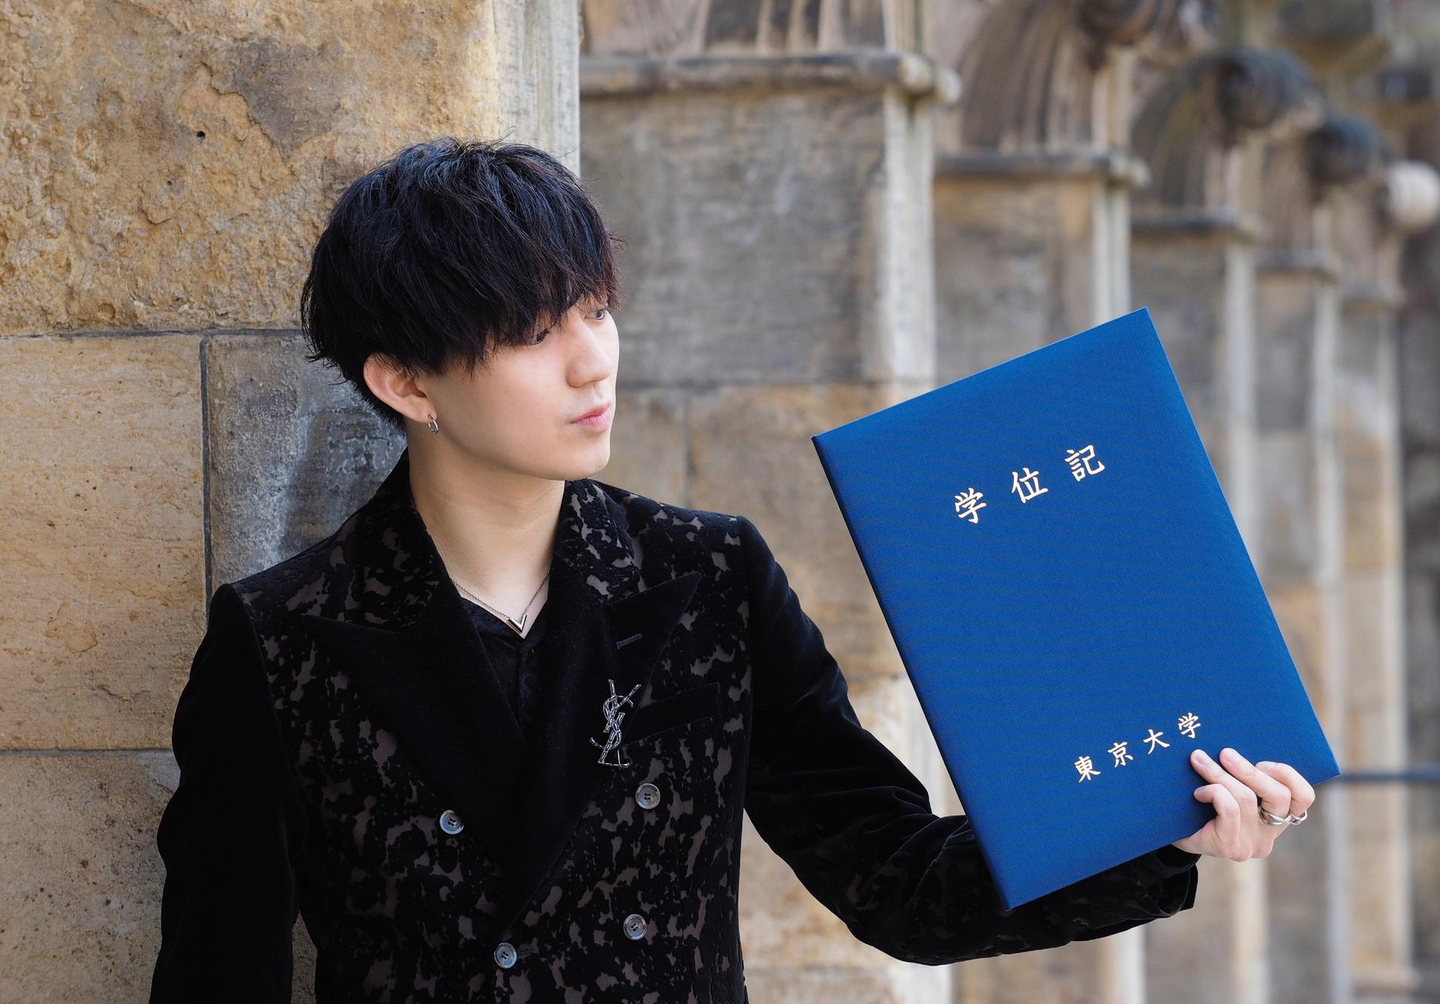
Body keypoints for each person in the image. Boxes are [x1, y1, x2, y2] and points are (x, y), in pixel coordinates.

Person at [148, 137, 1317, 1003]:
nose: (592, 361)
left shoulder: (705, 581)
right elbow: (220, 977)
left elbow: (898, 879)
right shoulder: (283, 642)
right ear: (407, 382)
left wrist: (1156, 831)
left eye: (595, 310)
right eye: (535, 332)